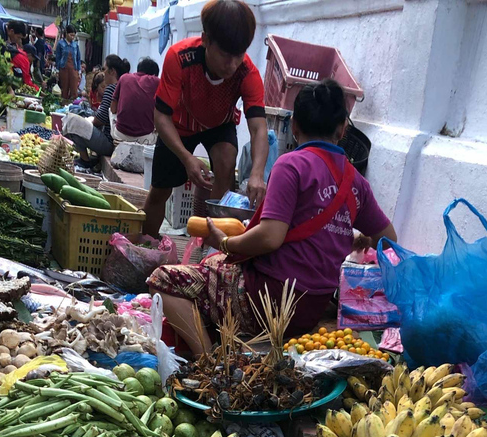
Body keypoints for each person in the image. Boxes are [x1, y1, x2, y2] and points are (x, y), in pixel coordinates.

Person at [148, 79, 397, 354]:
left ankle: (208, 361)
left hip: (269, 299)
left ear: (295, 126)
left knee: (163, 280)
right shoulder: (355, 182)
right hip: (311, 307)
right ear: (342, 130)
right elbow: (389, 240)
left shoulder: (292, 164)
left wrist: (225, 243)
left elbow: (269, 237)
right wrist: (349, 239)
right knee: (216, 265)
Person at [142, 0, 269, 239]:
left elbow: (258, 128)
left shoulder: (247, 73)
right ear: (206, 40)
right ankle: (146, 245)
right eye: (225, 55)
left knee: (225, 162)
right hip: (179, 124)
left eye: (239, 55)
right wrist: (186, 157)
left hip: (219, 124)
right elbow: (161, 116)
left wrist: (257, 174)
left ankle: (211, 248)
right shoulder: (179, 57)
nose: (232, 65)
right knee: (160, 190)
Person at [62, 55, 128, 169]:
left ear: (112, 71)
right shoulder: (122, 87)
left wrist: (86, 123)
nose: (103, 73)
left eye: (104, 69)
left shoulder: (112, 88)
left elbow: (100, 119)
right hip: (118, 143)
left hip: (108, 144)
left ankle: (85, 160)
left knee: (72, 120)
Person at [110, 57, 160, 146]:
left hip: (120, 135)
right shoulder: (156, 81)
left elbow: (113, 109)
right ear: (154, 74)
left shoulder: (124, 77)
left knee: (110, 110)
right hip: (145, 139)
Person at [55, 24, 81, 100]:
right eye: (71, 35)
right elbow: (58, 57)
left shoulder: (75, 45)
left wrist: (79, 71)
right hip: (63, 68)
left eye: (74, 36)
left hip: (74, 69)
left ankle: (73, 105)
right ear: (66, 33)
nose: (72, 37)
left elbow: (78, 58)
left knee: (74, 89)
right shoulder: (60, 44)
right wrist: (57, 70)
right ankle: (63, 104)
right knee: (64, 88)